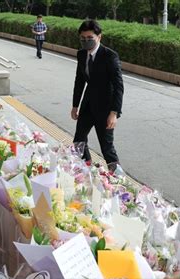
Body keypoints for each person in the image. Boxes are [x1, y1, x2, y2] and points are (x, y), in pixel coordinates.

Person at [71, 20, 124, 172]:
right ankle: (85, 170)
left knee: (107, 148)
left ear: (99, 37)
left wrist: (114, 113)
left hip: (106, 108)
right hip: (88, 105)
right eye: (83, 38)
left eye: (90, 38)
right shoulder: (81, 54)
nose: (86, 41)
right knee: (79, 141)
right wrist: (75, 105)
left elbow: (119, 86)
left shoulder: (110, 56)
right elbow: (79, 80)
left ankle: (119, 181)